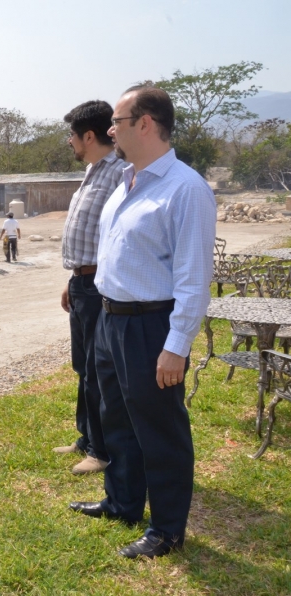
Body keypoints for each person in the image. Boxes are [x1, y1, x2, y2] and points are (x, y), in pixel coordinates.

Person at [68, 85, 216, 559]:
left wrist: (176, 345)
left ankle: (167, 529)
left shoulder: (185, 189)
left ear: (145, 124)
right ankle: (123, 502)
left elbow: (194, 277)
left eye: (117, 121)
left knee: (160, 428)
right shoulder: (125, 181)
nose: (110, 130)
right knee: (116, 419)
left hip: (151, 325)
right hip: (111, 319)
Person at [54, 100, 127, 476]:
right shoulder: (92, 171)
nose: (69, 142)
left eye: (72, 135)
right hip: (82, 282)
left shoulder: (119, 172)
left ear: (88, 135)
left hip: (100, 286)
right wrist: (73, 279)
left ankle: (101, 450)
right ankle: (85, 437)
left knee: (100, 372)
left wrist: (93, 280)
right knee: (83, 367)